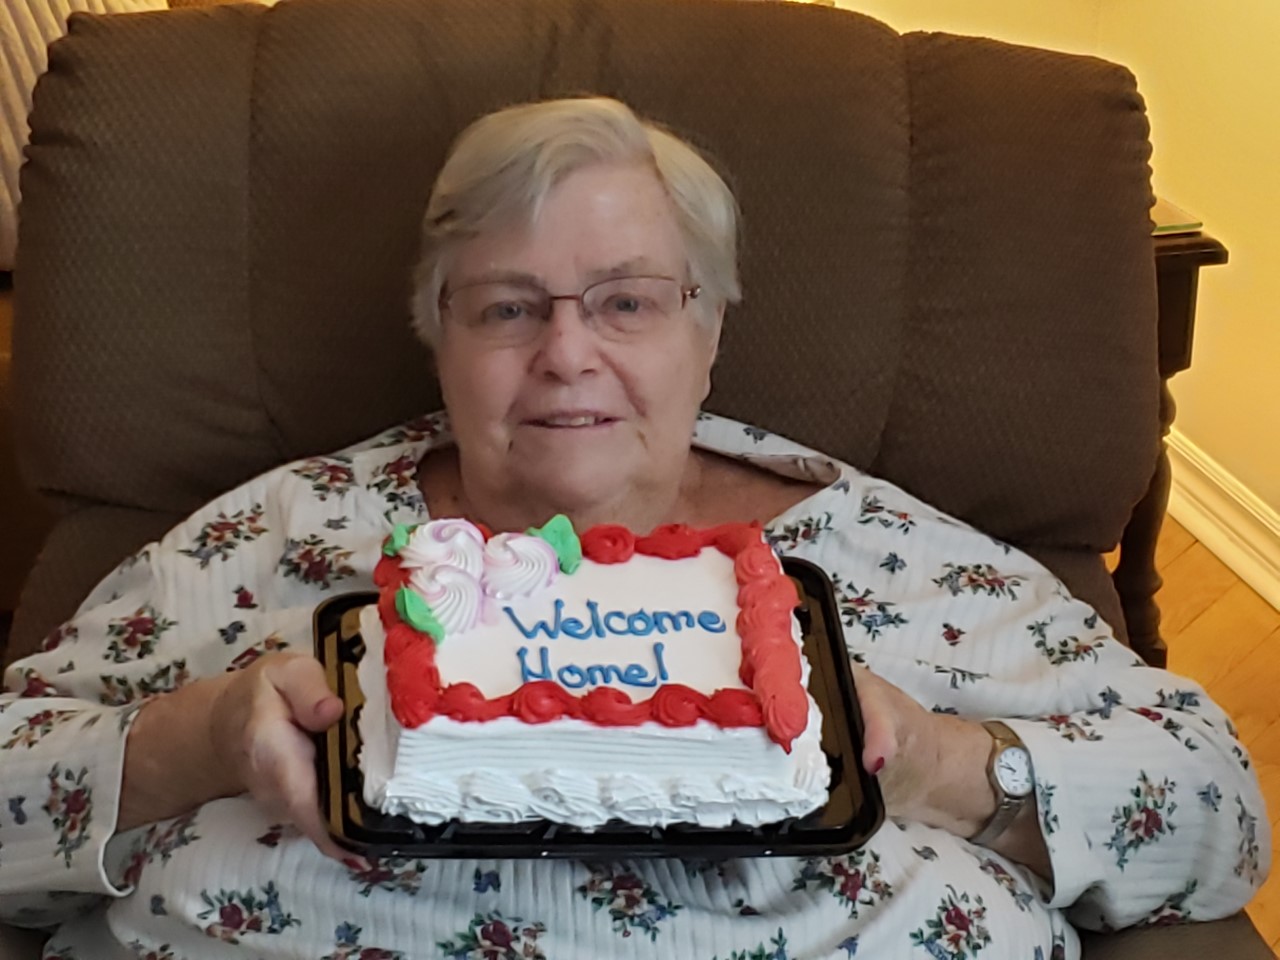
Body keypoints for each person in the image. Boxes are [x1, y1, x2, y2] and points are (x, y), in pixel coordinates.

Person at [0, 96, 1268, 960]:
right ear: (434, 336)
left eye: (625, 302)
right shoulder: (280, 537)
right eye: (503, 308)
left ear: (708, 331)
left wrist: (939, 763)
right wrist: (196, 740)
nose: (565, 356)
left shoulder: (883, 553)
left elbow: (1217, 810)